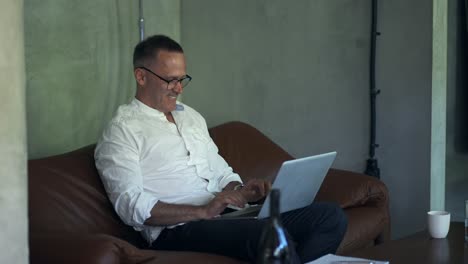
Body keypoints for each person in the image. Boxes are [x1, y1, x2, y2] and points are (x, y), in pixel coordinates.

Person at [95, 34, 347, 263]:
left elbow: (219, 171)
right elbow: (131, 205)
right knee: (269, 235)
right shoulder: (121, 131)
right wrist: (202, 211)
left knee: (329, 216)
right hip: (177, 229)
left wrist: (242, 191)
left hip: (226, 216)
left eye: (182, 79)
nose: (179, 89)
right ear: (141, 76)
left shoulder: (190, 116)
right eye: (171, 80)